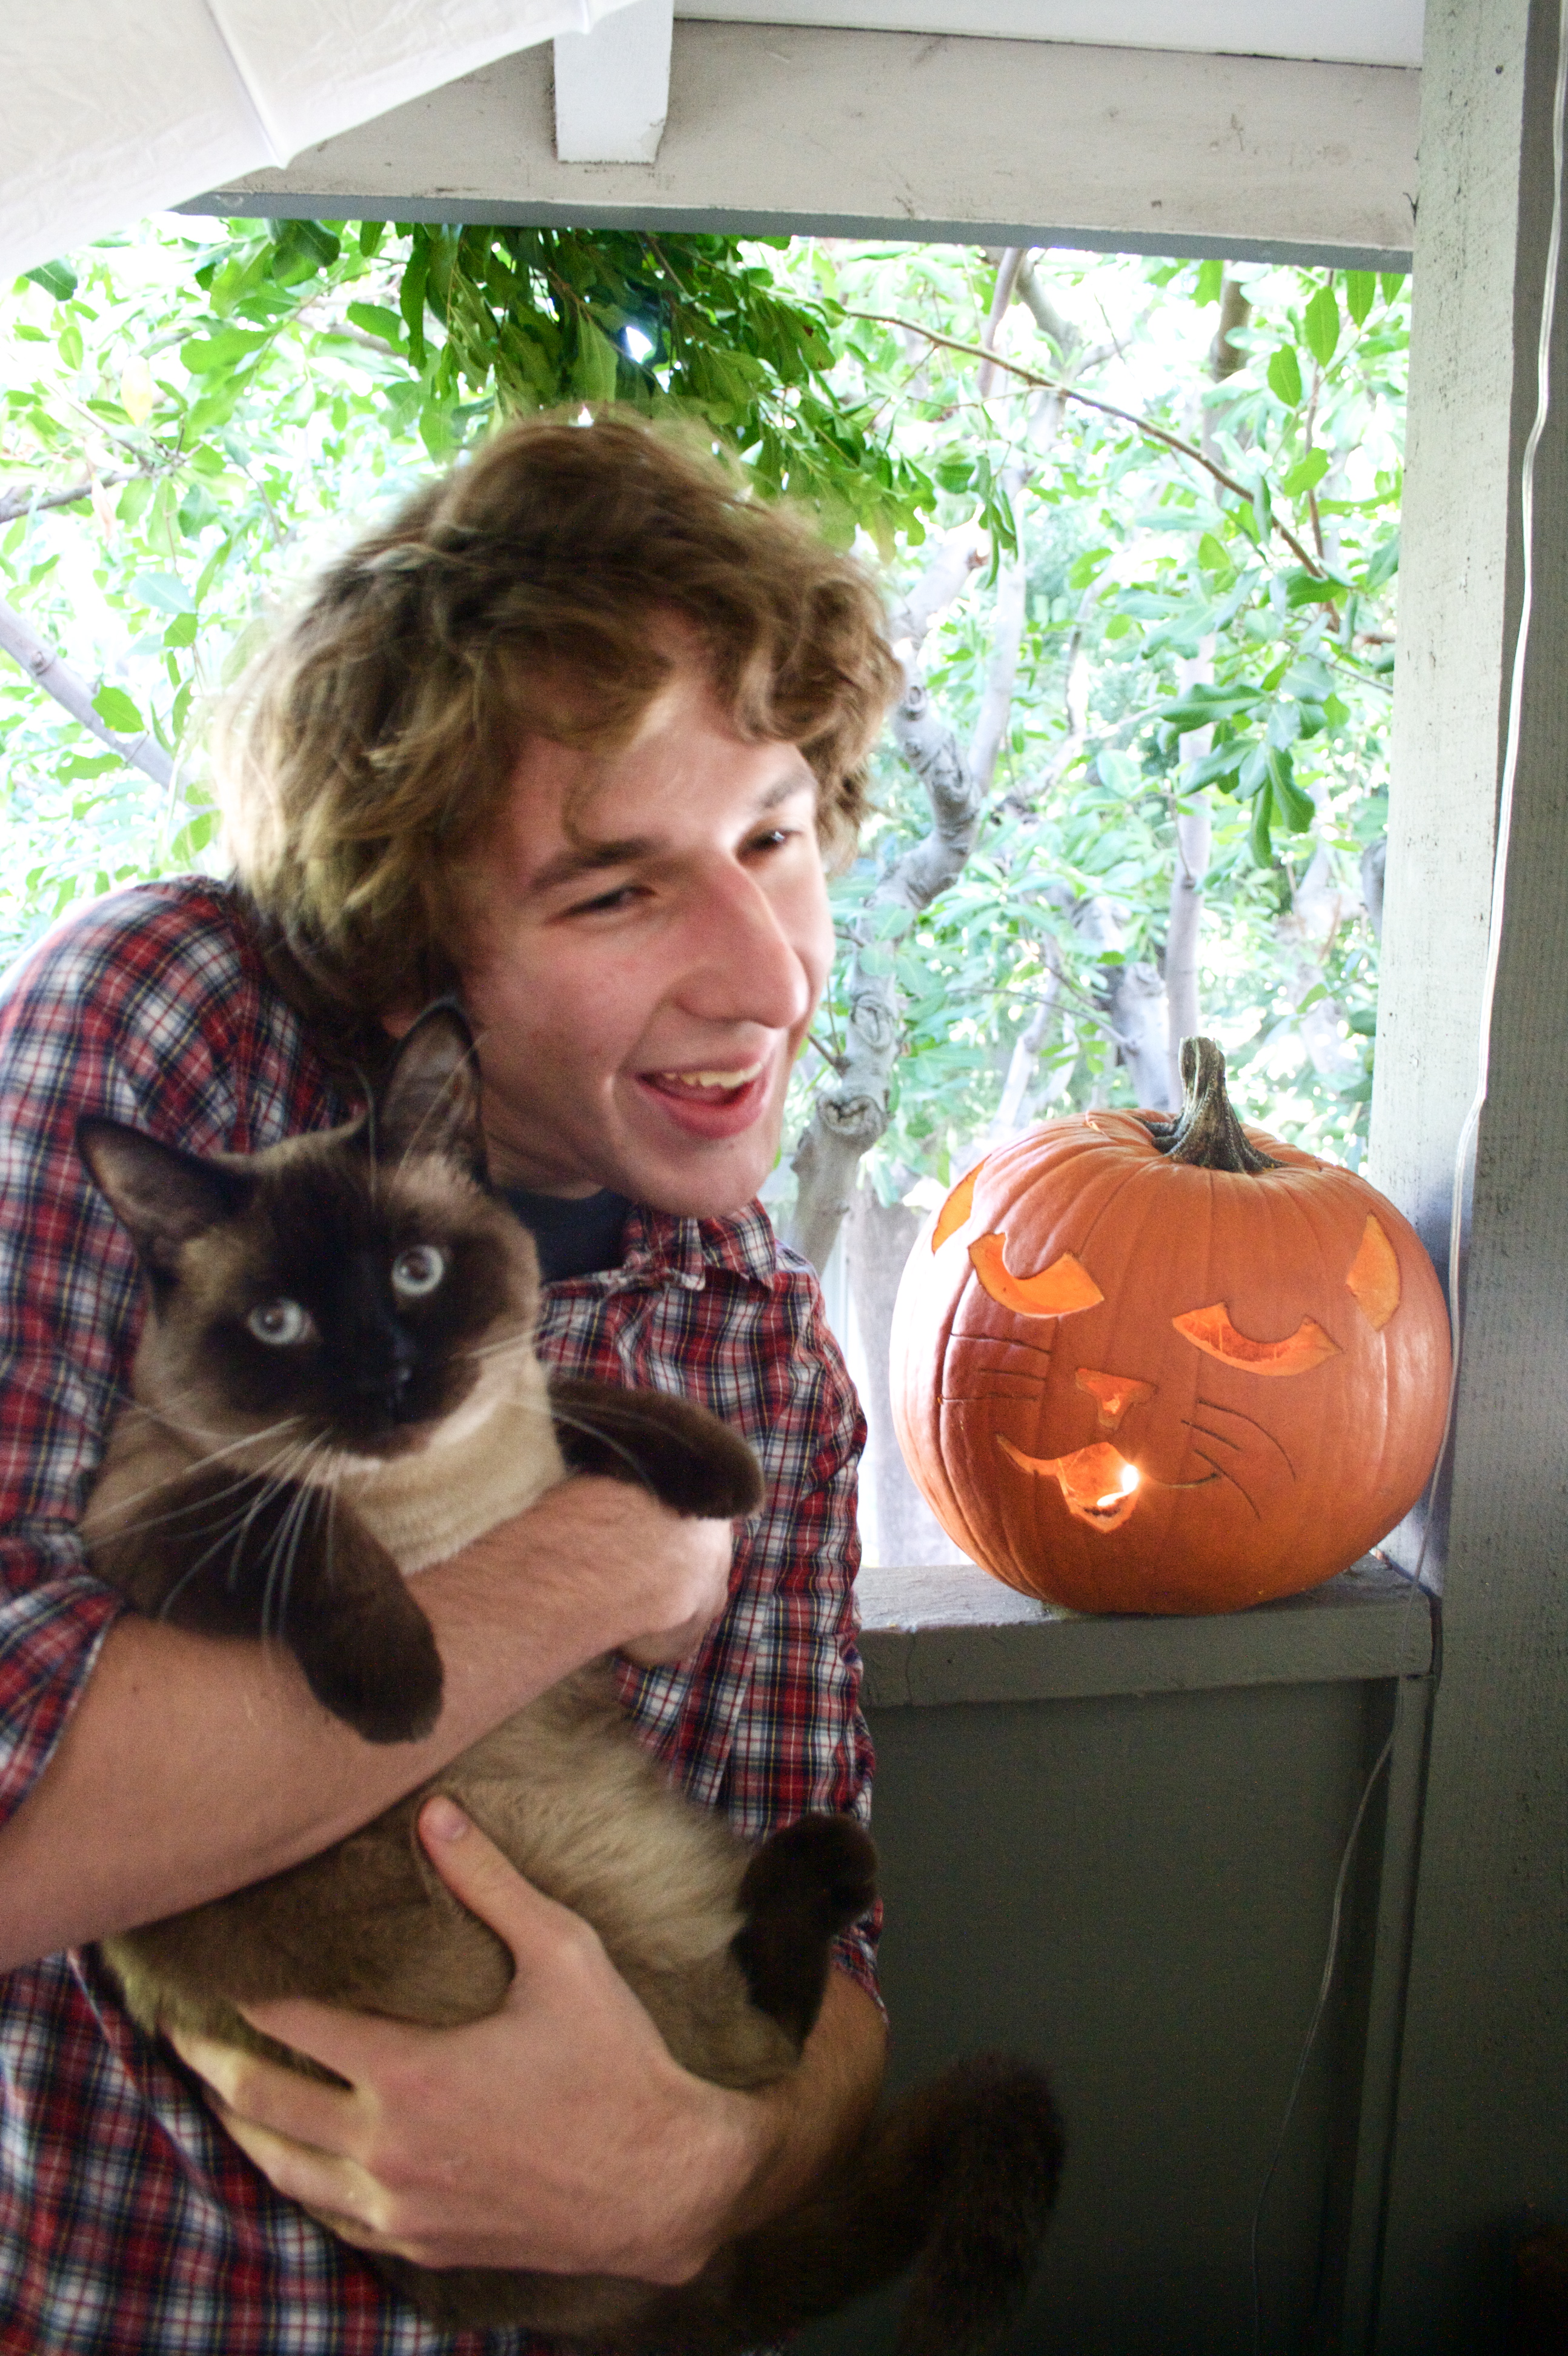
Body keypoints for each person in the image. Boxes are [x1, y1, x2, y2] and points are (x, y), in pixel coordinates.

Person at [0, 413, 902, 2351]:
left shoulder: (756, 1330)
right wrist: (601, 1568)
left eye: (773, 839)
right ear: (418, 937)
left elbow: (827, 1977)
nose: (764, 977)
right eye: (613, 891)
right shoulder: (170, 1051)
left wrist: (698, 2179)